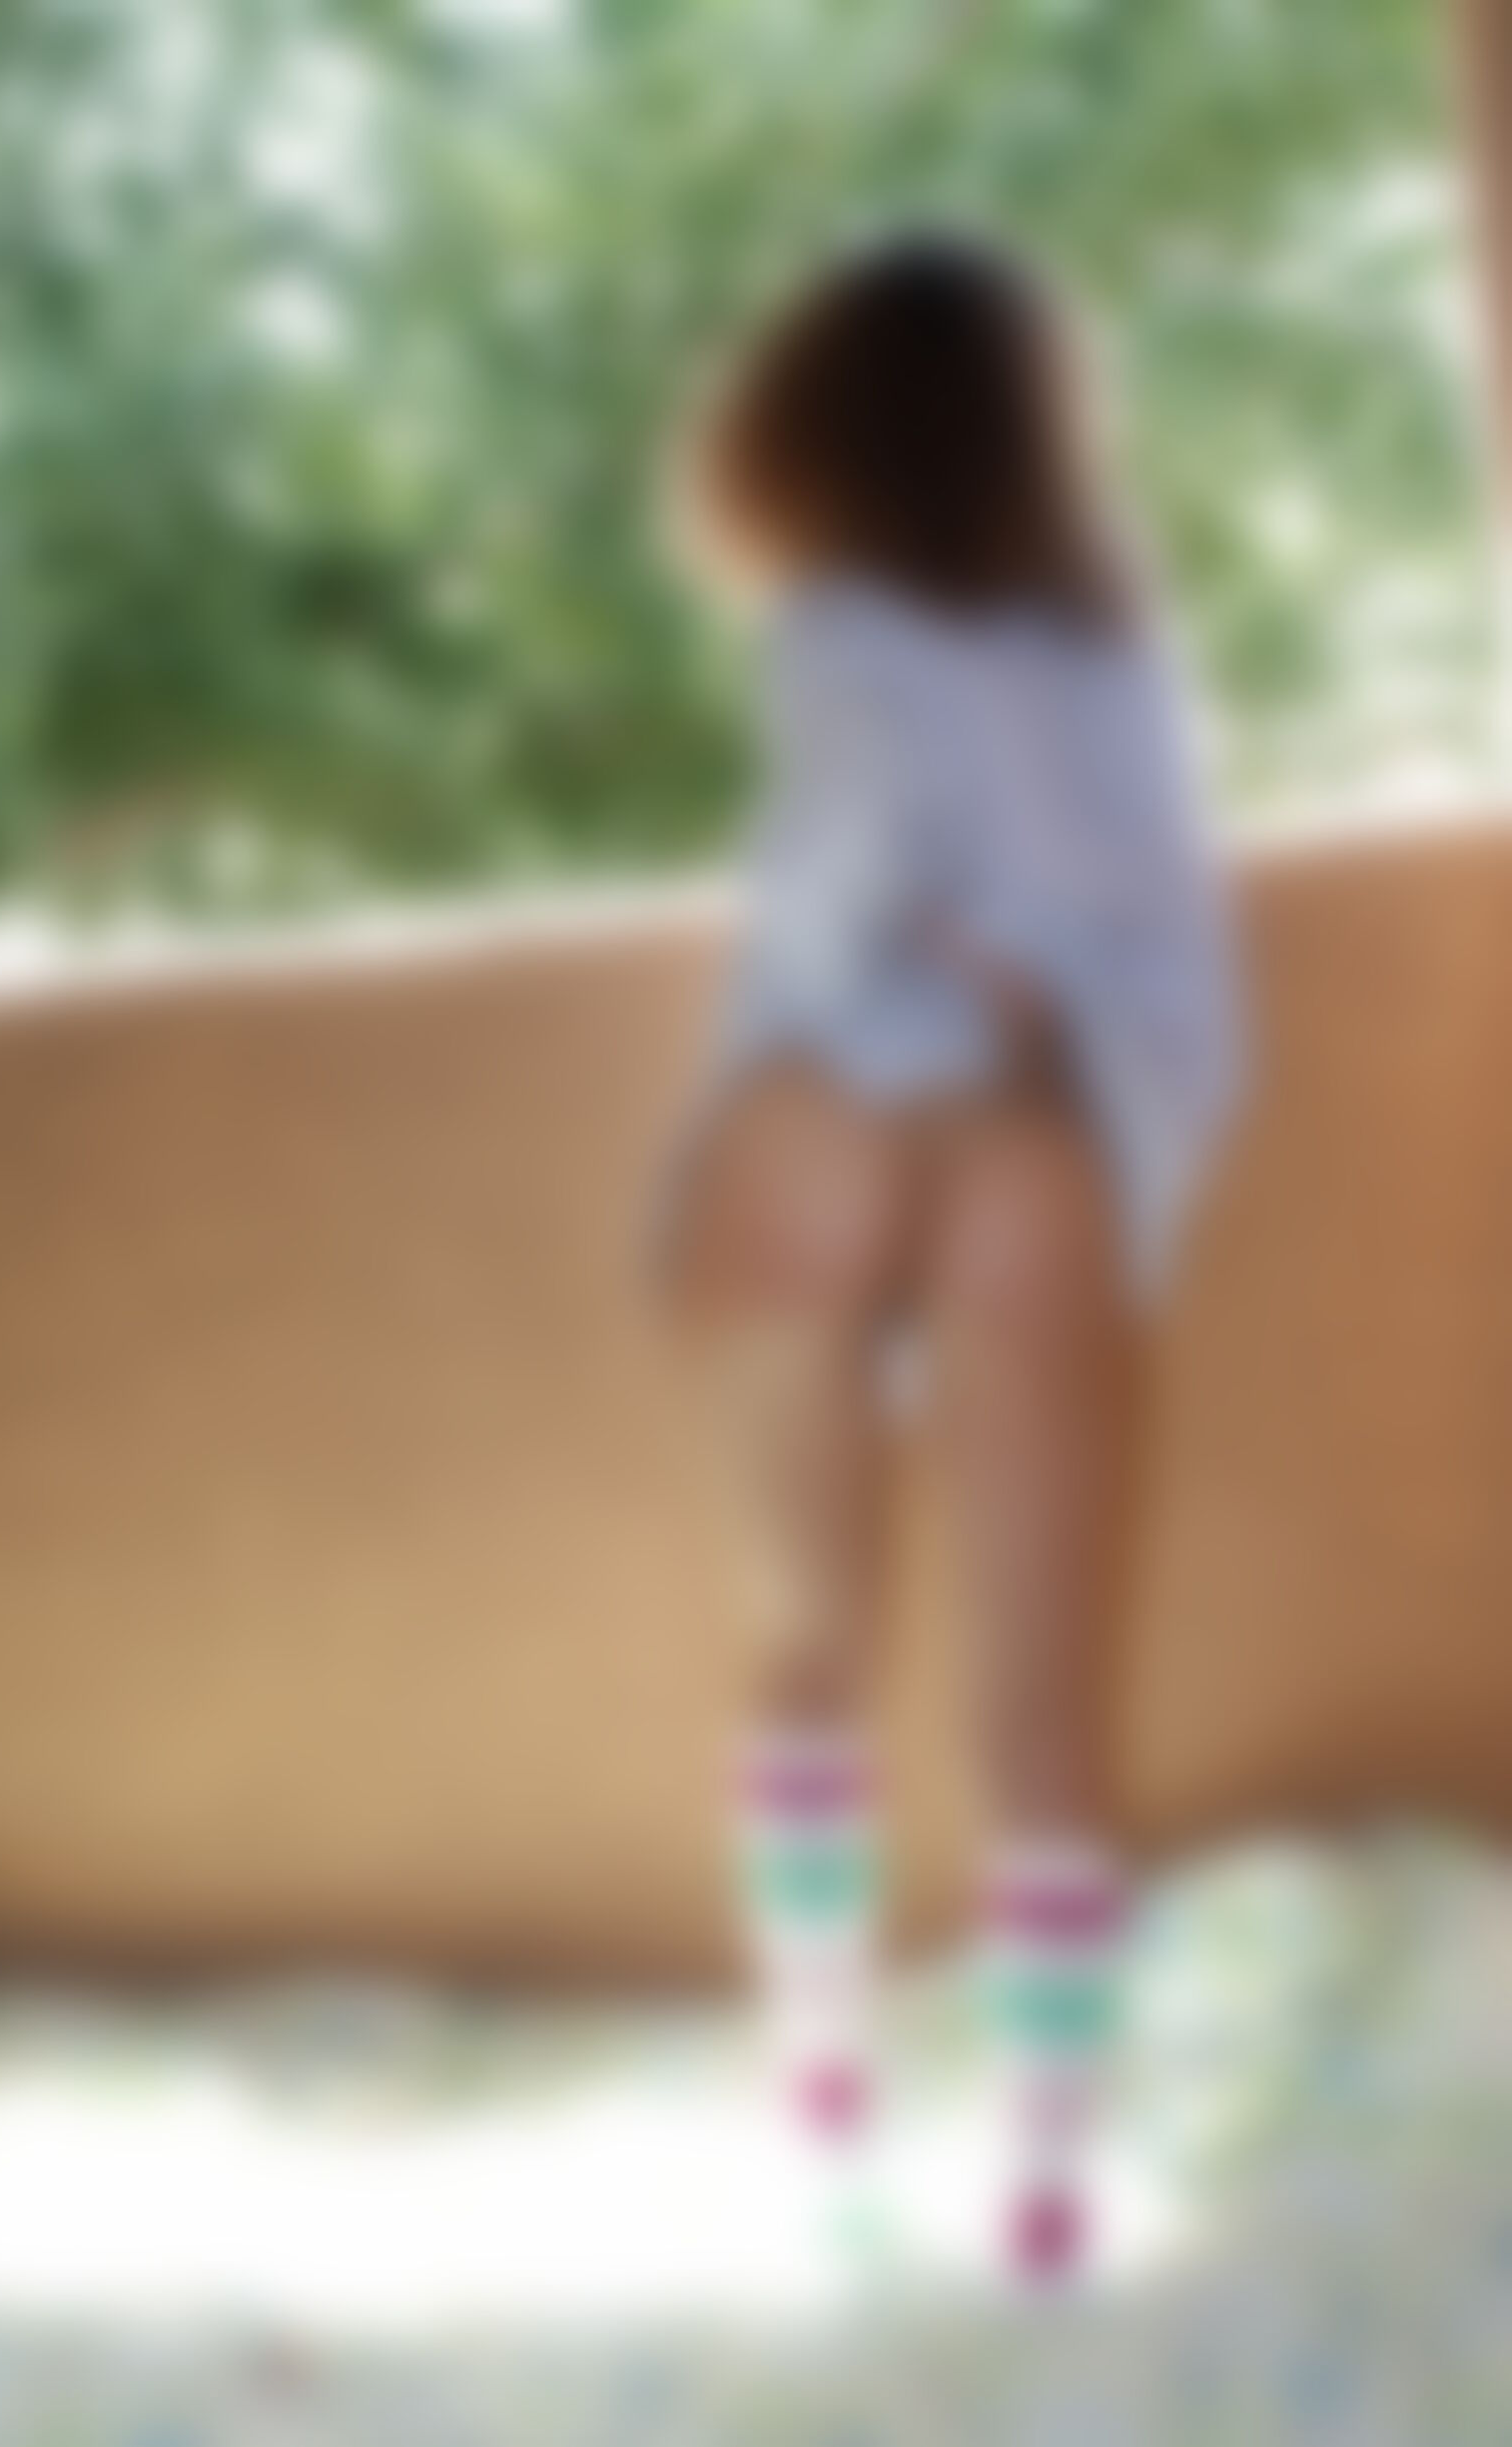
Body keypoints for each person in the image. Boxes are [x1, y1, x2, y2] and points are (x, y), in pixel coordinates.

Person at [651, 232, 1248, 2283]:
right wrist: (1074, 1079)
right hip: (1036, 1125)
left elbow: (834, 876)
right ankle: (1047, 2187)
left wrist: (839, 1016)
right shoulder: (1116, 647)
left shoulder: (830, 618)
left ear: (801, 426)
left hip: (816, 1115)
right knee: (1042, 1712)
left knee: (803, 1652)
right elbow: (1184, 965)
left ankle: (824, 2089)